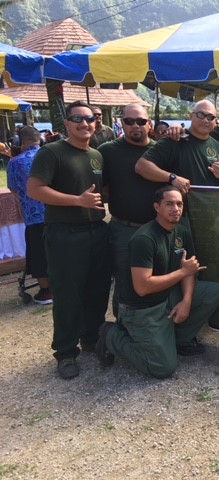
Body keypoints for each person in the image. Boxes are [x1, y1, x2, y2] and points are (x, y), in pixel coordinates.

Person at [96, 186, 219, 378]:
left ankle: (178, 341)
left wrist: (187, 301)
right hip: (142, 308)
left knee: (214, 291)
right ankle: (111, 335)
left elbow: (190, 271)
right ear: (157, 207)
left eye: (179, 204)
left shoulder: (181, 231)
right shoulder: (144, 238)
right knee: (163, 368)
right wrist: (183, 272)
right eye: (169, 204)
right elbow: (143, 287)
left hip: (168, 296)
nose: (176, 209)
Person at [27, 100, 111, 380]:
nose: (84, 123)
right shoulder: (52, 152)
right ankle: (65, 352)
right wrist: (78, 201)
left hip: (96, 231)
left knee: (97, 290)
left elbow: (103, 191)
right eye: (77, 118)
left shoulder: (97, 155)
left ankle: (91, 340)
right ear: (67, 123)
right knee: (67, 295)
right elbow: (35, 190)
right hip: (64, 232)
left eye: (89, 118)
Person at [100, 103, 160, 316]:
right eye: (129, 121)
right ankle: (122, 332)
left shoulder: (160, 150)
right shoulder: (107, 151)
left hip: (157, 230)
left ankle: (151, 331)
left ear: (149, 123)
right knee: (125, 282)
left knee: (158, 279)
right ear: (121, 123)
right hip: (124, 229)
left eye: (141, 121)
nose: (136, 126)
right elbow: (100, 186)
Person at [135, 100, 219, 196]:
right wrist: (172, 178)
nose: (205, 120)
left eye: (210, 117)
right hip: (179, 211)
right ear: (191, 116)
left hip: (209, 210)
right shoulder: (174, 140)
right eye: (200, 115)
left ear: (216, 121)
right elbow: (141, 166)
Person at [7, 126, 51, 305]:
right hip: (58, 213)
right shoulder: (51, 155)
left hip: (33, 218)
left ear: (20, 142)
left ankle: (46, 291)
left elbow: (13, 188)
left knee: (39, 253)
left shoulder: (15, 163)